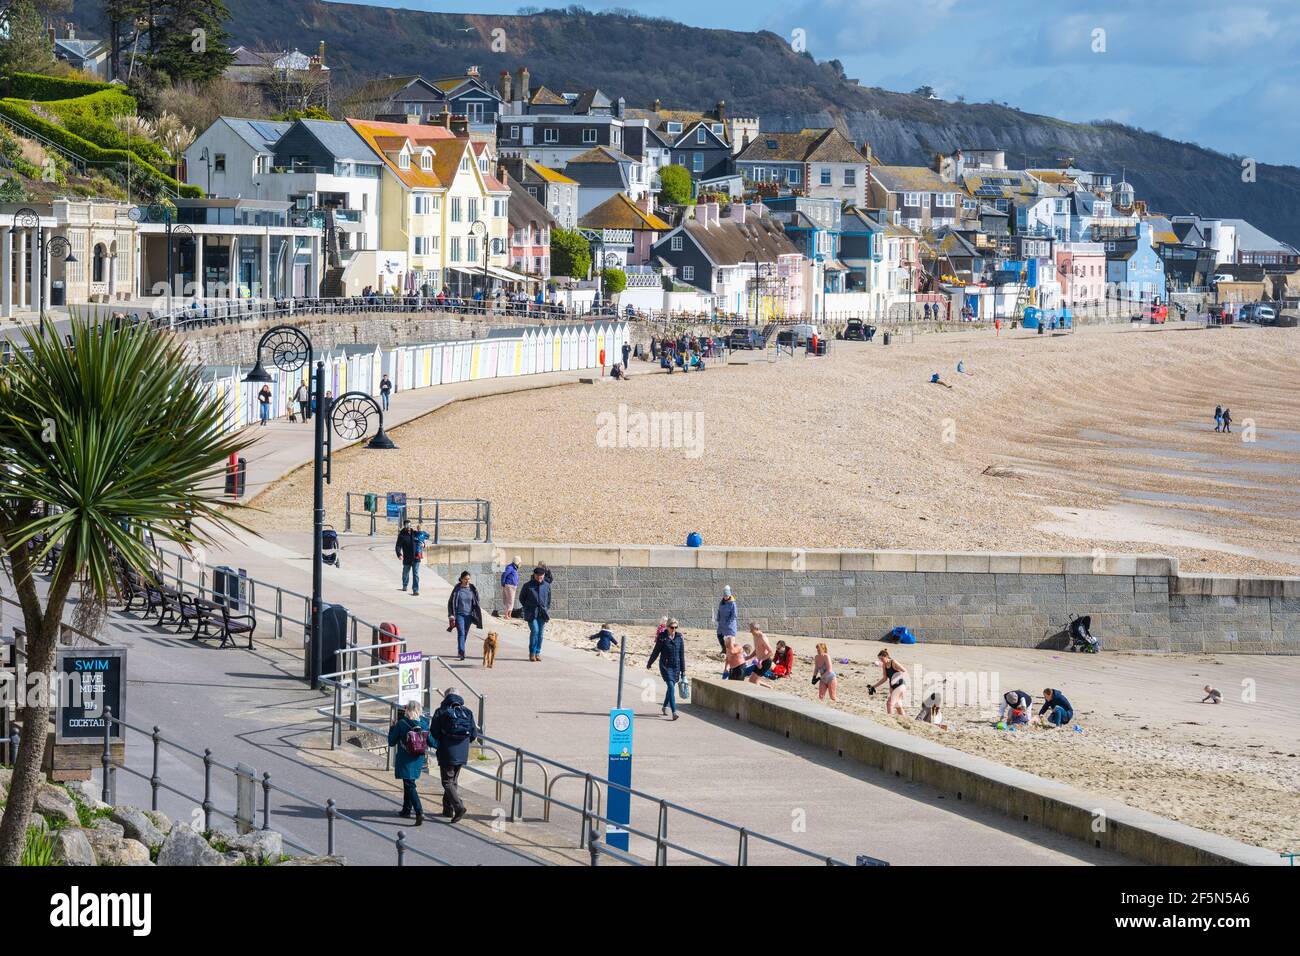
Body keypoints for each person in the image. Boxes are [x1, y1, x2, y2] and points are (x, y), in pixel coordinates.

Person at [431, 689, 477, 823]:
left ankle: (459, 807)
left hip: (447, 751)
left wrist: (444, 739)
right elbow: (473, 735)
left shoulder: (441, 711)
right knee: (453, 781)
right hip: (462, 752)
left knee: (446, 781)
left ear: (446, 697)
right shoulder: (467, 711)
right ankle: (447, 809)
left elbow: (434, 732)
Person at [387, 700, 430, 826]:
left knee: (409, 784)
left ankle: (419, 811)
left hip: (405, 758)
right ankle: (406, 809)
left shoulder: (401, 723)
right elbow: (431, 741)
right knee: (409, 782)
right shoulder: (424, 723)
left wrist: (392, 727)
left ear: (407, 710)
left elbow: (391, 742)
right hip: (418, 758)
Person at [647, 618, 686, 719]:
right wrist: (650, 663)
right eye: (672, 627)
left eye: (675, 627)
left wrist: (683, 671)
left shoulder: (679, 637)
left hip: (676, 667)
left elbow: (681, 655)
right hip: (665, 666)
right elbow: (656, 652)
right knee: (671, 687)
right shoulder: (662, 637)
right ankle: (674, 712)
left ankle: (664, 706)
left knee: (670, 688)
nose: (674, 629)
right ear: (667, 627)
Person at [446, 571, 482, 662]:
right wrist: (451, 615)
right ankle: (462, 652)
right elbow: (450, 602)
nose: (467, 581)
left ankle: (460, 649)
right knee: (461, 632)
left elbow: (476, 601)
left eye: (468, 579)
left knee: (465, 633)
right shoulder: (457, 589)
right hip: (459, 615)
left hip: (469, 615)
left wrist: (476, 613)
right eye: (465, 579)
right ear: (461, 579)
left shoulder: (472, 588)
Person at [519, 566, 551, 662]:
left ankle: (537, 653)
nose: (539, 577)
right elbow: (522, 598)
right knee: (535, 631)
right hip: (531, 613)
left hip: (542, 613)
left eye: (541, 575)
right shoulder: (528, 585)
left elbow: (549, 599)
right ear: (534, 575)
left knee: (540, 634)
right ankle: (532, 653)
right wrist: (527, 607)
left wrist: (546, 608)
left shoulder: (547, 585)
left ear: (544, 575)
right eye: (538, 575)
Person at [870, 649, 907, 715]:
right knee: (898, 705)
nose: (881, 661)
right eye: (879, 659)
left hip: (900, 686)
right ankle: (904, 720)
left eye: (882, 659)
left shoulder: (893, 662)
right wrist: (873, 687)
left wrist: (896, 678)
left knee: (889, 703)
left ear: (886, 657)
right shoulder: (884, 665)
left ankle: (890, 719)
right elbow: (884, 679)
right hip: (892, 687)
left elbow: (905, 671)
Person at [395, 521, 421, 595]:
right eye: (407, 526)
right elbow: (398, 546)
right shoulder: (402, 535)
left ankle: (415, 590)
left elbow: (422, 539)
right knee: (406, 573)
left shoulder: (415, 533)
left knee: (415, 573)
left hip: (416, 557)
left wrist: (423, 544)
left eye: (409, 526)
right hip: (407, 557)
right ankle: (405, 585)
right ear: (405, 526)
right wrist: (399, 554)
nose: (408, 528)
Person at [716, 585, 738, 655]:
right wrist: (718, 618)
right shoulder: (722, 602)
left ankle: (731, 652)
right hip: (722, 623)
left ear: (729, 595)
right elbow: (719, 611)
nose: (725, 597)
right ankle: (724, 649)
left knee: (730, 639)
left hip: (729, 624)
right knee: (719, 635)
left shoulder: (732, 603)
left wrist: (728, 622)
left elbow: (734, 615)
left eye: (727, 596)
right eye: (724, 596)